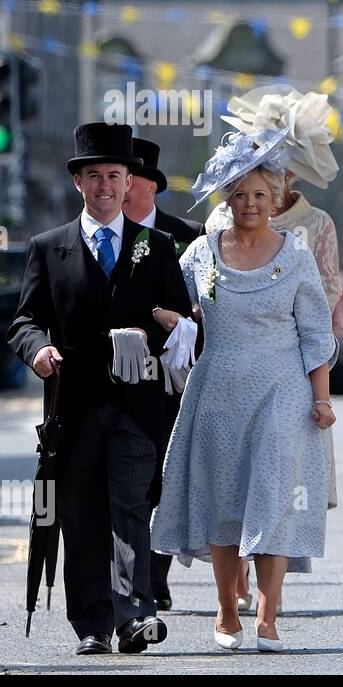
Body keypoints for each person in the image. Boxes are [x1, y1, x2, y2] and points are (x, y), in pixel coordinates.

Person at [7, 122, 194, 656]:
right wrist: (37, 349)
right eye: (95, 176)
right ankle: (92, 623)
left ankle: (135, 614)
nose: (106, 186)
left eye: (115, 175)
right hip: (74, 407)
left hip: (137, 407)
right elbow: (24, 320)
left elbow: (182, 323)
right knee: (81, 514)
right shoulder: (48, 248)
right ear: (79, 183)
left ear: (129, 180)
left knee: (130, 506)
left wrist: (159, 328)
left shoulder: (155, 247)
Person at [150, 123, 337, 652]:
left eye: (259, 195)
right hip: (217, 392)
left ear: (275, 199)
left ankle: (269, 618)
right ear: (226, 201)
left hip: (283, 392)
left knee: (273, 498)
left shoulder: (296, 257)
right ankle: (227, 611)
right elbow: (170, 302)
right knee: (222, 503)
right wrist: (166, 318)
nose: (250, 203)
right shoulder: (201, 255)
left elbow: (316, 334)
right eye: (240, 195)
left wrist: (320, 400)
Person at [204, 88, 342, 612]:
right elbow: (204, 286)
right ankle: (232, 584)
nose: (264, 187)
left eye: (277, 170)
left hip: (291, 363)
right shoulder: (221, 223)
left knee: (277, 473)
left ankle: (268, 595)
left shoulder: (316, 225)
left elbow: (326, 293)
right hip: (230, 368)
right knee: (229, 473)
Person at [123, 137, 205, 612]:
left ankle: (156, 571)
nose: (119, 188)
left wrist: (190, 318)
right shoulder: (102, 235)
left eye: (128, 179)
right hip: (116, 376)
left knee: (165, 473)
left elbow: (209, 307)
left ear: (150, 187)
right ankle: (131, 574)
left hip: (174, 378)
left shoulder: (188, 235)